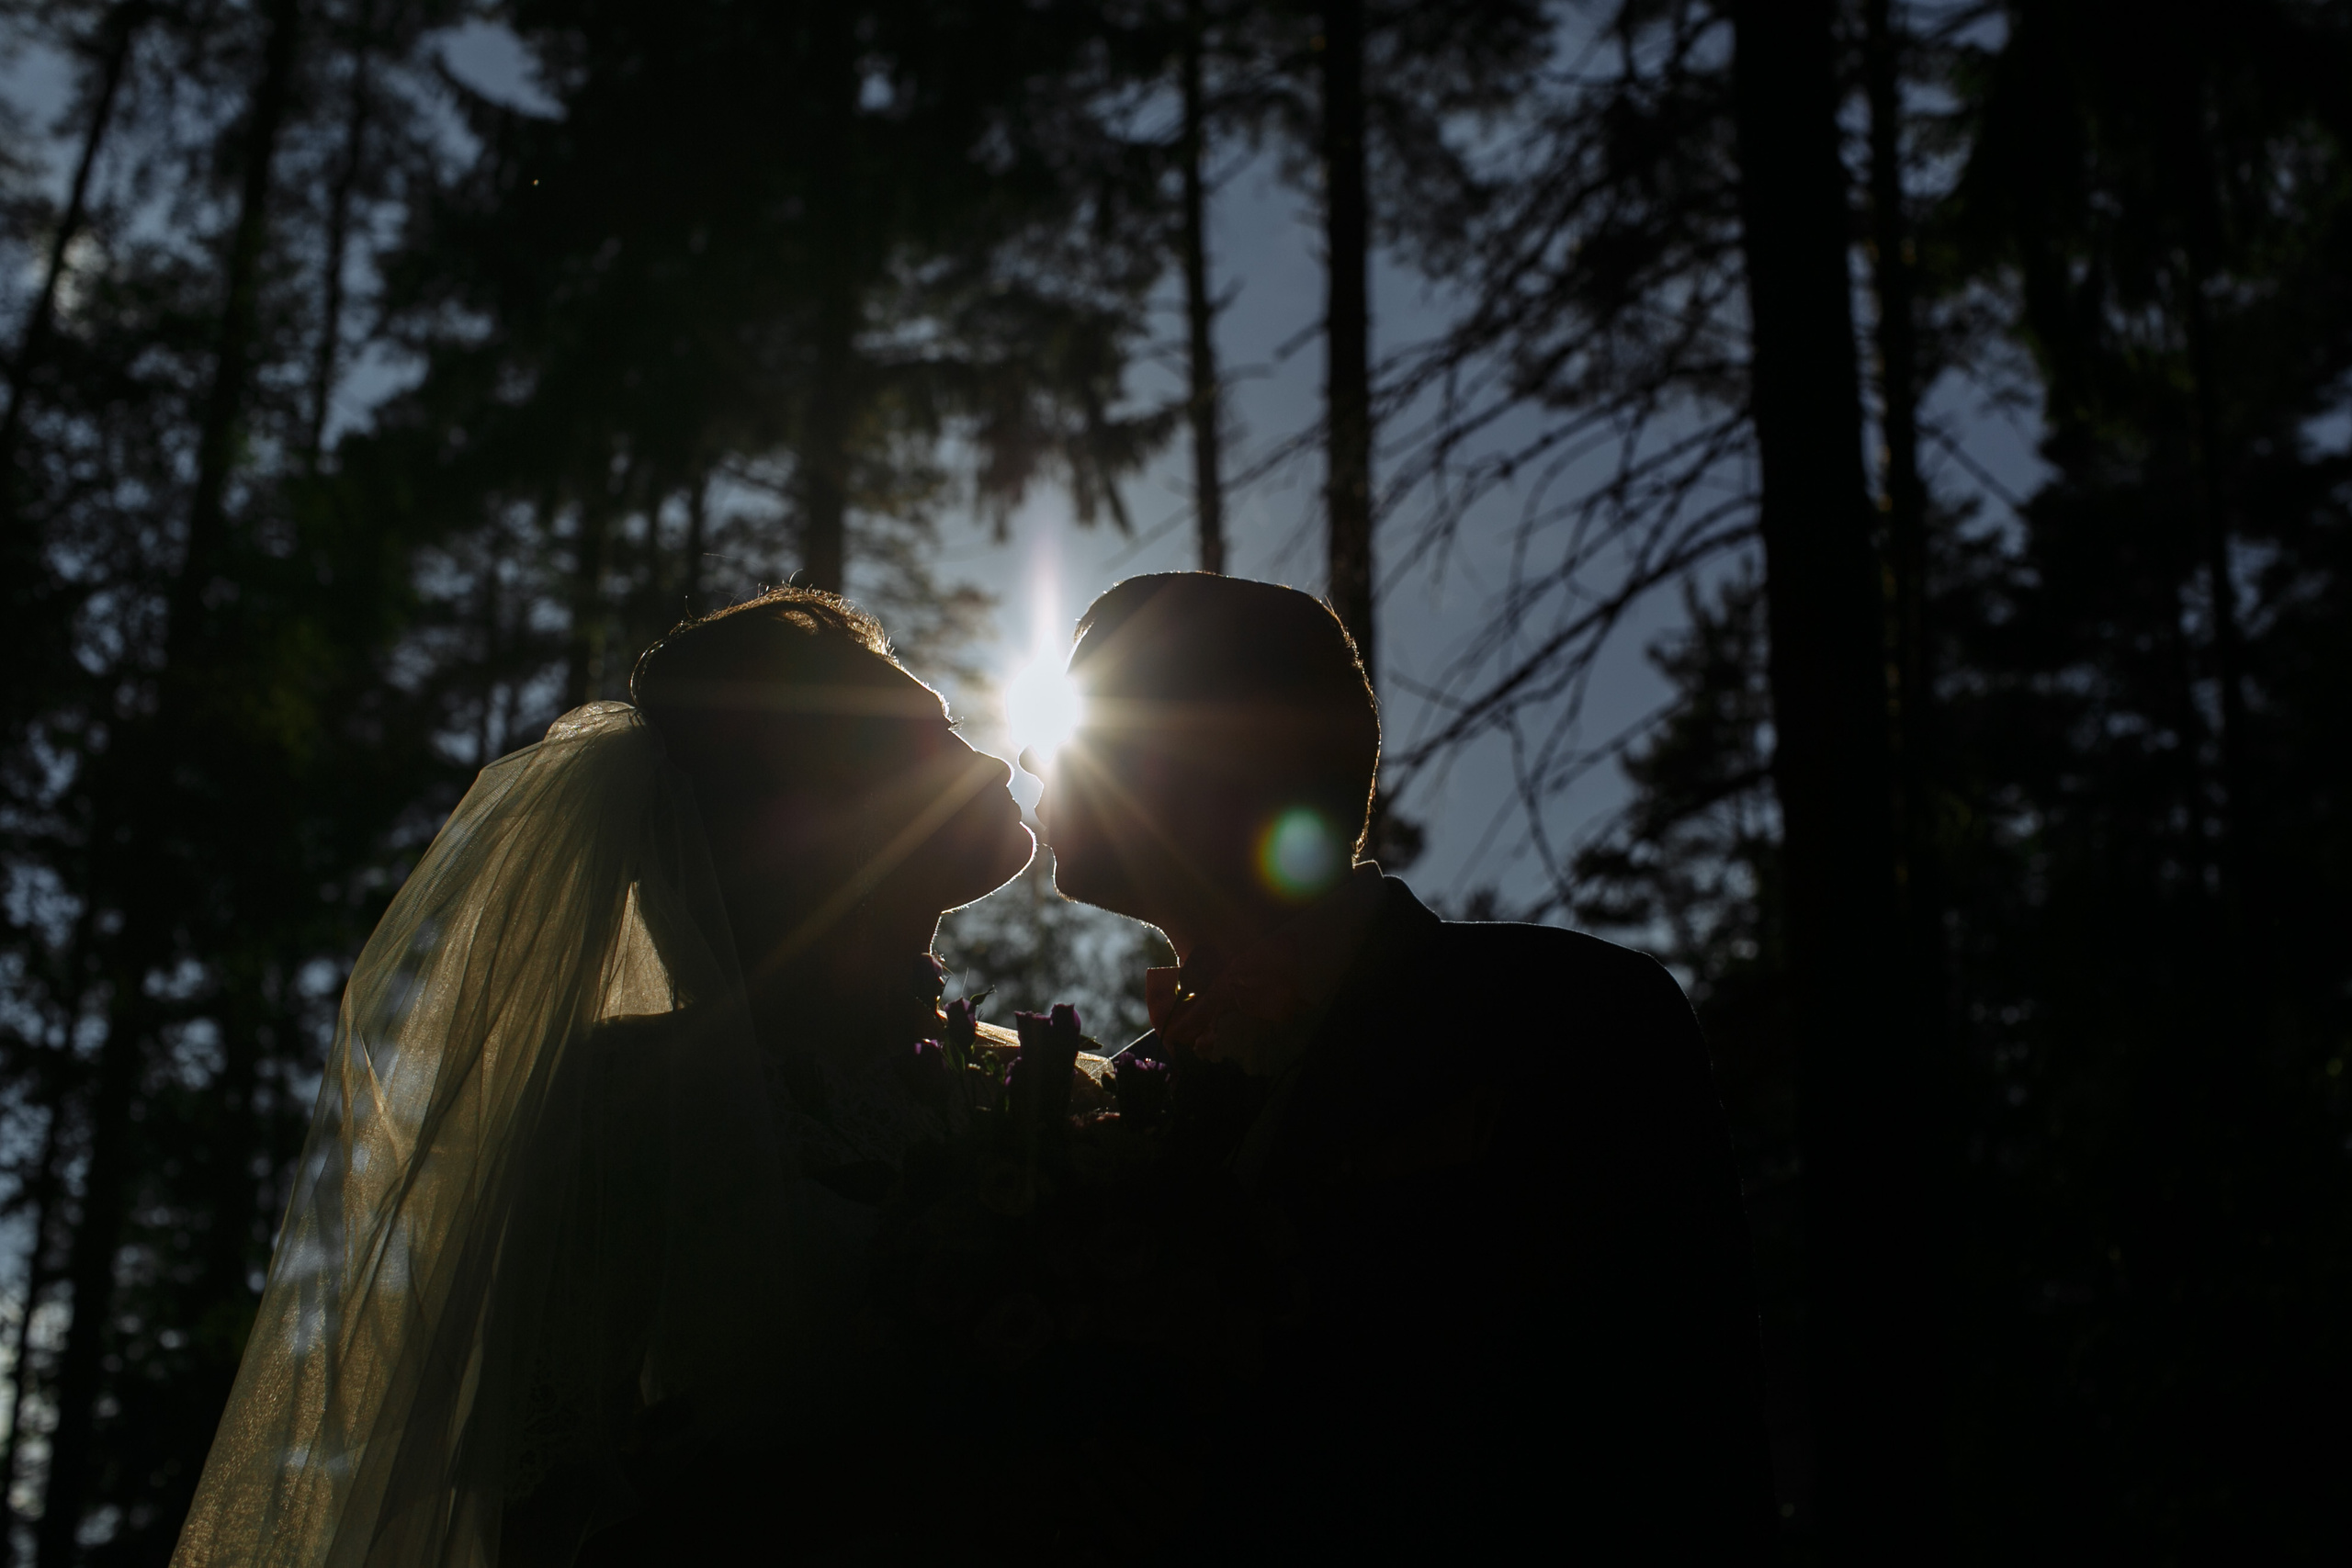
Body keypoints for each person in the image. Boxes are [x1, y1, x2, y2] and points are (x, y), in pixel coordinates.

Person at [171, 586, 1035, 1568]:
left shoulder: (1032, 1087)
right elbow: (532, 1504)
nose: (997, 760)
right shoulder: (626, 1103)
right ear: (810, 819)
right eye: (929, 737)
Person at [1035, 572, 1777, 1557]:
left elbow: (1681, 1436)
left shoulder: (1566, 1013)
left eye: (1090, 716)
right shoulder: (1113, 1106)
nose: (1042, 755)